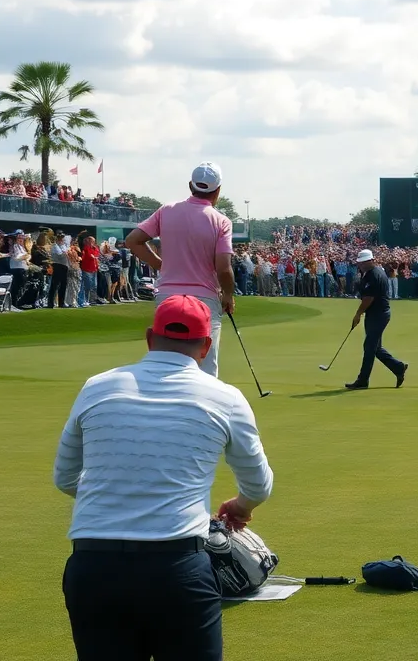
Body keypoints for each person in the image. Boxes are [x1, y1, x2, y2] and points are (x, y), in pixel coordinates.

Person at [53, 295, 273, 661]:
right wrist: (240, 506)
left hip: (93, 568)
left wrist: (121, 493)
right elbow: (258, 485)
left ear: (149, 338)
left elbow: (64, 477)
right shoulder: (226, 398)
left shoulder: (96, 386)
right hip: (176, 569)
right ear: (205, 346)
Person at [126, 162, 236, 377]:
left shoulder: (167, 210)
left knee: (165, 359)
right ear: (218, 190)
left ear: (190, 185)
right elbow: (223, 268)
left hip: (168, 295)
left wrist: (160, 264)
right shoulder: (221, 221)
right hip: (204, 298)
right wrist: (229, 295)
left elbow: (133, 241)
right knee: (204, 365)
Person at [345, 249, 408, 389]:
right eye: (359, 263)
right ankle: (398, 367)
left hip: (378, 315)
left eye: (362, 263)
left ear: (370, 261)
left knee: (369, 347)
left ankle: (363, 380)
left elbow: (368, 298)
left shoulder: (374, 275)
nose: (359, 265)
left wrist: (358, 314)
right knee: (375, 348)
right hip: (377, 314)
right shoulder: (373, 272)